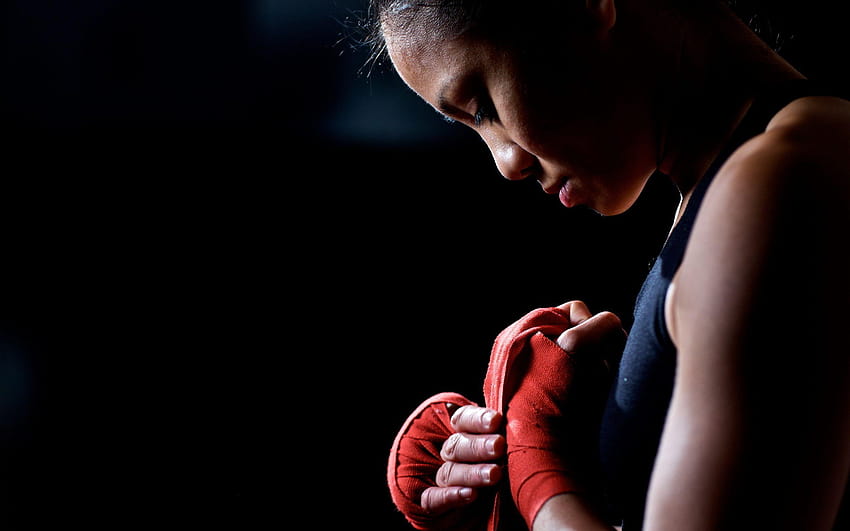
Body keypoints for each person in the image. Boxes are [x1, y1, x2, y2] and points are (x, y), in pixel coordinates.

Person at [366, 0, 850, 529]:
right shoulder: (742, 182)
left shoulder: (779, 183)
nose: (507, 163)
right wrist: (588, 429)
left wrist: (536, 465)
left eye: (483, 106)